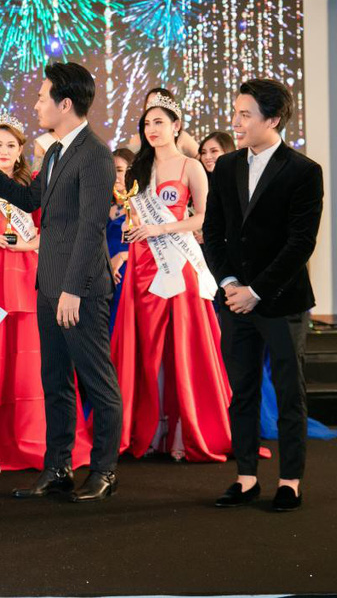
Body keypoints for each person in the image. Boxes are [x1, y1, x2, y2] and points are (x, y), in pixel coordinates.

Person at [0, 61, 121, 503]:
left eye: (42, 95)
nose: (36, 103)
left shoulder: (94, 155)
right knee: (55, 381)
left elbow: (91, 230)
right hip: (49, 286)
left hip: (81, 289)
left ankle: (105, 471)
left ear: (65, 103)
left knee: (96, 379)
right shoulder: (54, 152)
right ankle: (58, 466)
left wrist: (71, 289)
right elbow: (31, 199)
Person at [204, 79, 324, 511]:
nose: (235, 122)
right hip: (234, 300)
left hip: (281, 302)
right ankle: (246, 476)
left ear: (272, 119)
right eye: (235, 112)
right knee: (243, 391)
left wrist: (256, 290)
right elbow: (213, 235)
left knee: (290, 391)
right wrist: (231, 285)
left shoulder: (303, 171)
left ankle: (290, 480)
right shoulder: (227, 166)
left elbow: (300, 244)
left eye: (245, 115)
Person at [0, 112, 93, 470]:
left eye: (10, 146)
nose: (3, 151)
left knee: (28, 361)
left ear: (20, 151)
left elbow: (52, 229)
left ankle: (32, 439)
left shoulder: (34, 184)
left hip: (26, 277)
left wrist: (24, 245)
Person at [110, 95, 233, 463]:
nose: (153, 130)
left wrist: (162, 227)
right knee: (146, 351)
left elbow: (206, 218)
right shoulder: (138, 172)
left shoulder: (190, 167)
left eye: (160, 122)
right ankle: (150, 428)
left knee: (180, 349)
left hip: (178, 264)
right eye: (147, 124)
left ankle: (183, 429)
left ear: (176, 126)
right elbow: (134, 223)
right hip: (143, 268)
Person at [127, 88, 200, 158]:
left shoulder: (182, 138)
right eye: (150, 104)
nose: (153, 108)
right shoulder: (136, 140)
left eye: (157, 103)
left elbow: (202, 157)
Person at [107, 148, 134, 332]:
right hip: (103, 275)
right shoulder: (101, 205)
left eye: (119, 170)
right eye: (111, 170)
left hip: (129, 274)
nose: (115, 176)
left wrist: (123, 256)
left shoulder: (141, 206)